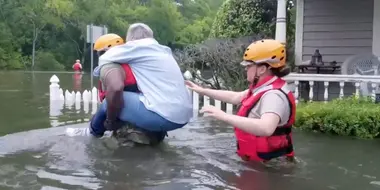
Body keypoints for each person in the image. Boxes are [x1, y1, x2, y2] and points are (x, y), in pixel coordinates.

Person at [186, 39, 296, 162]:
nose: (245, 69)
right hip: (260, 162)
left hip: (271, 166)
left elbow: (266, 128)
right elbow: (235, 97)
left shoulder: (273, 96)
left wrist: (224, 116)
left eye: (249, 66)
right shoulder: (263, 88)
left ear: (262, 69)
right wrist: (203, 91)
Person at [89, 23, 193, 144]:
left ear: (131, 40)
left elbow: (115, 86)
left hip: (163, 116)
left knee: (109, 101)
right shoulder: (163, 51)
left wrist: (110, 122)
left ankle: (93, 133)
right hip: (183, 116)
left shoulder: (135, 48)